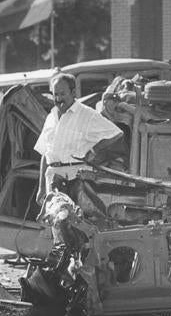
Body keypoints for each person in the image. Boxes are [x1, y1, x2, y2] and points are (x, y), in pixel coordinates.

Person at [33, 73, 123, 244]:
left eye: (62, 93)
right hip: (53, 180)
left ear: (73, 92)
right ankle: (64, 267)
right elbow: (45, 153)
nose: (58, 98)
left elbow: (116, 134)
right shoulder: (51, 117)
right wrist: (40, 188)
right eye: (55, 94)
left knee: (81, 227)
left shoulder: (86, 114)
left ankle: (86, 267)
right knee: (58, 228)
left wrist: (94, 151)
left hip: (77, 179)